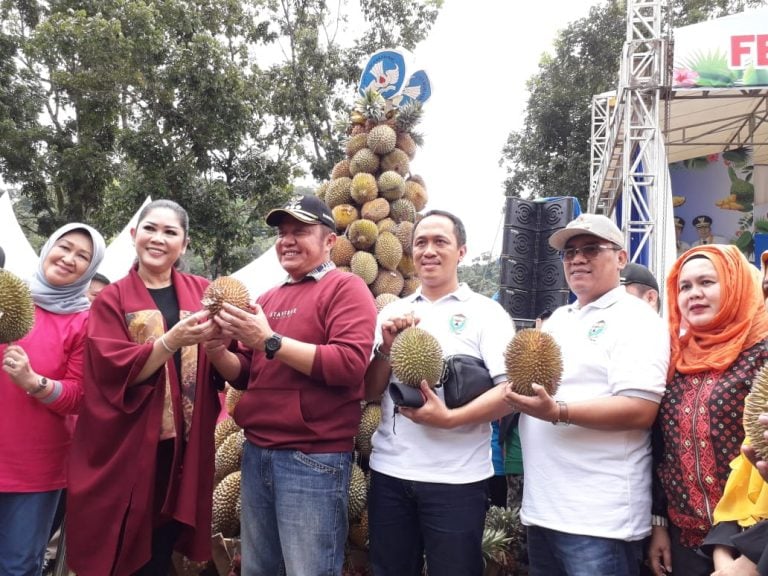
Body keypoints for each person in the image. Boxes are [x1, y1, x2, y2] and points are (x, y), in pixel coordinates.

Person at [403, 212, 670, 576]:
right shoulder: (560, 319)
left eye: (591, 249)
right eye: (569, 252)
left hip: (601, 520)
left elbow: (641, 410)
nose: (577, 259)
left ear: (621, 258)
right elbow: (524, 386)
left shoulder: (636, 319)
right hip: (544, 511)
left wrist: (557, 411)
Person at [207, 194, 377, 576]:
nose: (287, 240)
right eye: (282, 233)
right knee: (259, 568)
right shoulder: (268, 298)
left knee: (309, 569)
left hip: (312, 459)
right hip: (258, 451)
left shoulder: (346, 288)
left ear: (330, 240)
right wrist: (218, 350)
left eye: (300, 231)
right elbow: (248, 374)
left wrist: (270, 340)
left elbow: (349, 365)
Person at [66, 199, 221, 576]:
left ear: (183, 245)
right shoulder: (112, 299)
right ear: (135, 235)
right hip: (129, 449)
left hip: (180, 449)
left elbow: (226, 361)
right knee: (122, 550)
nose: (158, 238)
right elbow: (112, 373)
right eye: (150, 228)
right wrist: (171, 341)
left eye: (171, 232)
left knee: (162, 547)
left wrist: (229, 337)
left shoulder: (204, 294)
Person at [364, 209, 515, 576]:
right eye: (421, 243)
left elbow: (510, 391)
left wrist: (451, 419)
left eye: (440, 242)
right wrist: (385, 347)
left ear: (461, 252)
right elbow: (369, 391)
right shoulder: (393, 311)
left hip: (458, 480)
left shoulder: (487, 314)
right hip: (390, 473)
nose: (428, 251)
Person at [647, 244, 768, 576]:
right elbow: (661, 449)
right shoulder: (675, 357)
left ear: (734, 285)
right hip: (683, 538)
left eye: (706, 283)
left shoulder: (762, 354)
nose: (693, 294)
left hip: (750, 543)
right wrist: (659, 522)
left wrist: (753, 552)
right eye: (684, 287)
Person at [0, 222, 105, 576]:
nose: (69, 259)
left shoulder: (85, 321)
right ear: (48, 247)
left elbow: (79, 395)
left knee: (17, 565)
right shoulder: (8, 296)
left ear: (89, 270)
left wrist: (34, 382)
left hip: (35, 468)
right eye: (65, 247)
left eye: (83, 257)